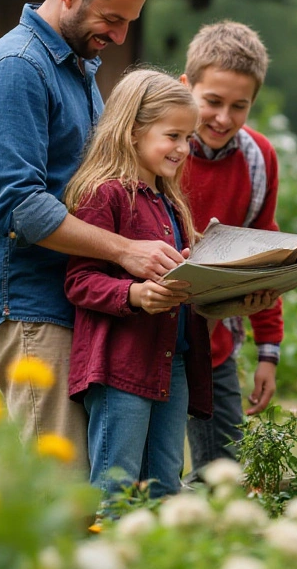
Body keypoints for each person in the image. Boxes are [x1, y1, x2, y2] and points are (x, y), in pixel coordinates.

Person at [0, 0, 184, 468]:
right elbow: (20, 208)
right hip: (29, 304)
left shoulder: (77, 68)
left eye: (130, 20)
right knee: (60, 494)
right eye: (112, 19)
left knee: (99, 484)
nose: (123, 36)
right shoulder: (18, 68)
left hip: (68, 300)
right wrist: (125, 251)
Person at [62, 69, 274, 496]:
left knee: (166, 484)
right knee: (115, 487)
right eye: (172, 136)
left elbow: (182, 287)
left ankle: (158, 560)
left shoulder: (170, 200)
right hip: (120, 365)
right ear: (133, 131)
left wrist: (226, 291)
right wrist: (135, 295)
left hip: (172, 362)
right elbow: (79, 281)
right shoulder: (105, 193)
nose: (183, 149)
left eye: (187, 139)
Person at [179, 21, 285, 469]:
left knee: (223, 474)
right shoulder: (156, 150)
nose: (224, 118)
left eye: (239, 107)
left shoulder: (258, 159)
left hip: (215, 344)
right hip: (148, 342)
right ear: (186, 88)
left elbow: (263, 255)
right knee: (147, 481)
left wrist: (268, 352)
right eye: (213, 102)